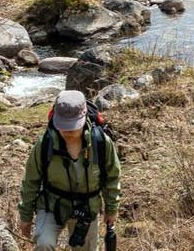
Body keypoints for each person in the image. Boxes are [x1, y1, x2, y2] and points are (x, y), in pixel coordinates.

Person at [19, 90, 122, 250]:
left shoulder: (100, 143)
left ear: (84, 118)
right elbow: (30, 181)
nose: (67, 131)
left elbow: (112, 177)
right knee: (44, 244)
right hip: (51, 204)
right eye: (63, 126)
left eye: (73, 126)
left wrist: (111, 209)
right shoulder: (45, 144)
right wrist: (25, 216)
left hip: (87, 207)